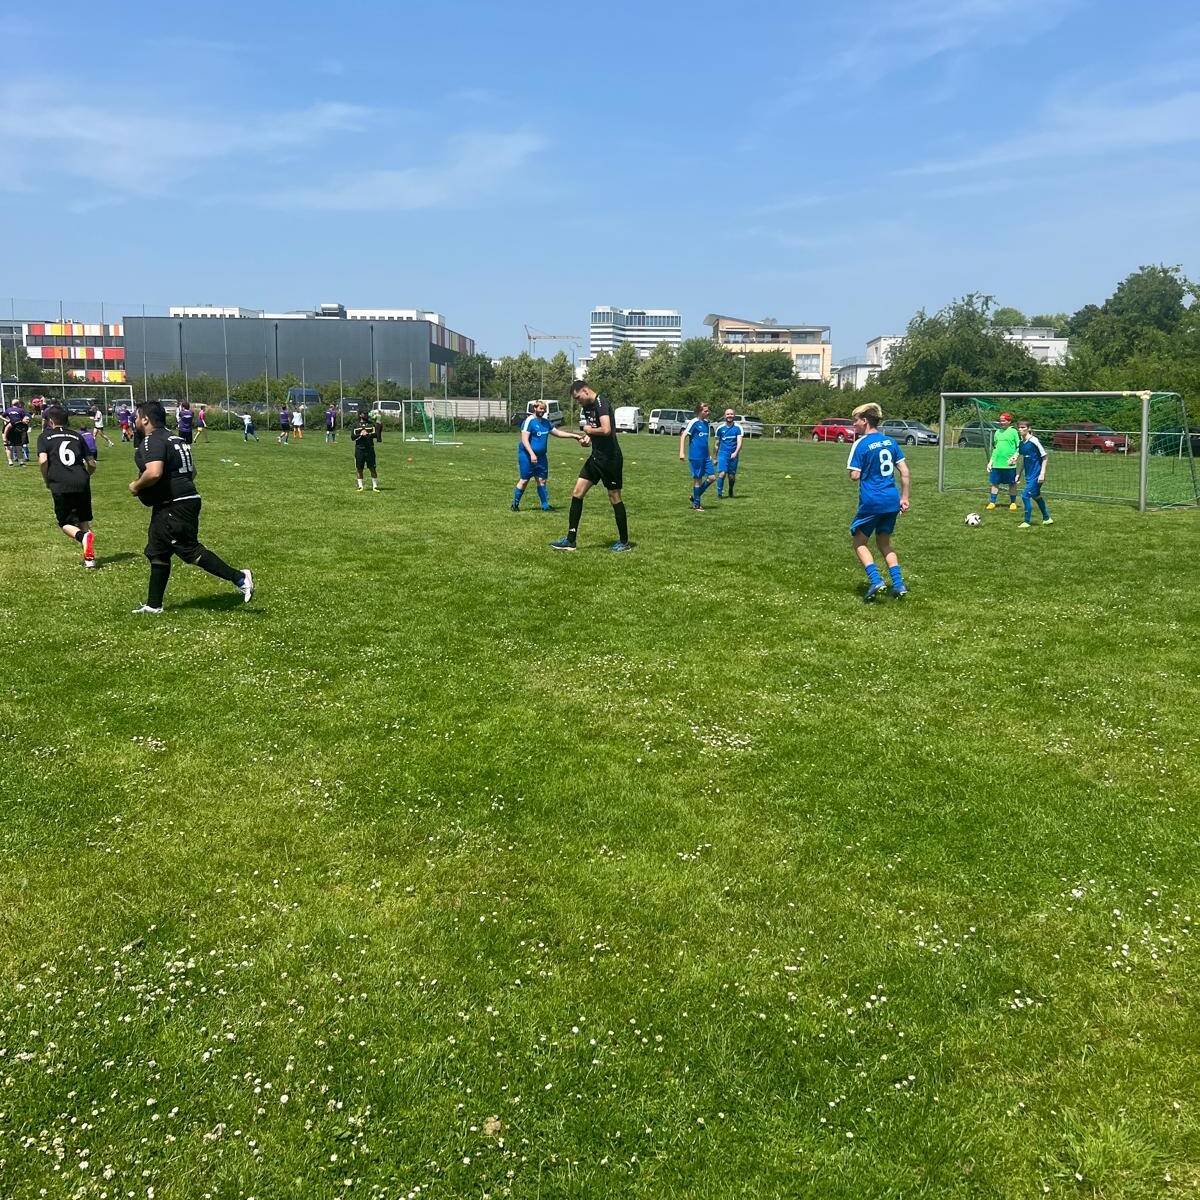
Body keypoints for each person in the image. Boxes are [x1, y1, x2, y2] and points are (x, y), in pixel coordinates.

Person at [128, 400, 254, 615]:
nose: (135, 420)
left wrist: (136, 486)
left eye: (137, 416)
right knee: (157, 551)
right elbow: (192, 472)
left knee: (188, 550)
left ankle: (240, 577)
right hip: (179, 500)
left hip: (176, 504)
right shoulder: (175, 438)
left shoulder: (153, 440)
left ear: (146, 419)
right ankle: (154, 604)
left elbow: (154, 472)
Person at [550, 382, 632, 552]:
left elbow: (606, 429)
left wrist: (588, 430)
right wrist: (589, 437)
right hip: (596, 458)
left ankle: (624, 542)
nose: (578, 402)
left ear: (585, 391)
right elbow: (596, 431)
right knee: (577, 493)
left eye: (578, 398)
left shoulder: (601, 403)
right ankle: (570, 540)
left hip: (610, 459)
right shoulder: (587, 407)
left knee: (614, 497)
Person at [847, 402, 911, 602]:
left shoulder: (861, 444)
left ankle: (876, 580)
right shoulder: (890, 442)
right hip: (892, 500)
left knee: (859, 542)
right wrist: (905, 498)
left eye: (856, 421)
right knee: (884, 542)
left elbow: (855, 475)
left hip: (872, 501)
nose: (854, 425)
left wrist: (861, 469)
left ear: (865, 421)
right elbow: (905, 472)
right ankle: (898, 584)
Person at [36, 406, 97, 568]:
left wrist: (47, 479)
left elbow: (43, 460)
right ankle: (89, 560)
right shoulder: (77, 436)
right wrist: (86, 475)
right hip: (81, 480)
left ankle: (81, 537)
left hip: (60, 482)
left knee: (64, 523)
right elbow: (91, 463)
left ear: (50, 421)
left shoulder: (44, 437)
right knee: (83, 519)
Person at [513, 399, 585, 511]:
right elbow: (524, 440)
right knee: (524, 480)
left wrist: (574, 436)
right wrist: (532, 454)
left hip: (541, 457)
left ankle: (545, 506)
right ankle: (515, 505)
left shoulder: (546, 422)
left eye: (544, 409)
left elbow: (558, 433)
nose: (543, 411)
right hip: (527, 456)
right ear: (535, 408)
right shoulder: (529, 421)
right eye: (541, 408)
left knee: (541, 480)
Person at [1015, 419, 1053, 528]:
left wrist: (1042, 473)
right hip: (1029, 475)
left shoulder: (1034, 441)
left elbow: (1045, 457)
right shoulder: (1021, 443)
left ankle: (1027, 522)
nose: (1021, 429)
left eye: (1023, 427)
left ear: (1029, 428)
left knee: (1025, 495)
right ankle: (1047, 518)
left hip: (1037, 475)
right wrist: (1018, 474)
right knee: (1036, 496)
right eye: (1019, 427)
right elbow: (1023, 459)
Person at [679, 402, 716, 510]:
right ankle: (696, 505)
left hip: (705, 456)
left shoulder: (706, 424)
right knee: (698, 479)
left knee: (712, 477)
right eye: (705, 411)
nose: (708, 412)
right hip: (696, 456)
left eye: (708, 410)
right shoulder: (693, 422)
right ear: (699, 411)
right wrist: (682, 452)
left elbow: (705, 441)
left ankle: (695, 497)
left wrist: (709, 455)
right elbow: (683, 436)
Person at [987, 411, 1020, 511]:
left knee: (1012, 483)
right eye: (1000, 421)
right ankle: (992, 502)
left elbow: (1019, 446)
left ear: (1009, 421)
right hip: (997, 464)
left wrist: (1015, 456)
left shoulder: (1013, 432)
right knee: (994, 483)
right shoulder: (997, 432)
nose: (1001, 422)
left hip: (1009, 465)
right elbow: (996, 448)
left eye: (1004, 420)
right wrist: (991, 461)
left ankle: (1013, 503)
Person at [715, 408, 744, 498]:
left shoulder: (738, 428)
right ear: (725, 416)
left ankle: (730, 489)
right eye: (728, 414)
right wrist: (715, 457)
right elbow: (716, 444)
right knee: (722, 473)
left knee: (731, 476)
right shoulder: (720, 429)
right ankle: (719, 494)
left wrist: (735, 453)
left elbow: (739, 442)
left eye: (731, 414)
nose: (729, 416)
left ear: (734, 415)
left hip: (733, 454)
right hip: (723, 454)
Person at [352, 407, 380, 491]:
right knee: (359, 468)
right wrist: (360, 434)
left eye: (367, 413)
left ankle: (375, 486)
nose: (367, 415)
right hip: (359, 449)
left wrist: (368, 434)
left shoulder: (371, 424)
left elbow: (376, 435)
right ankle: (360, 486)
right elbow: (352, 437)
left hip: (369, 449)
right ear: (360, 415)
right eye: (365, 413)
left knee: (372, 468)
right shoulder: (355, 425)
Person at [3, 399, 28, 466]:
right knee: (16, 446)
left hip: (12, 429)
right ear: (18, 404)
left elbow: (1, 416)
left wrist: (6, 420)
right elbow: (7, 428)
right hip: (13, 430)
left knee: (10, 447)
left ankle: (12, 461)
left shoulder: (8, 410)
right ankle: (19, 461)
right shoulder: (20, 411)